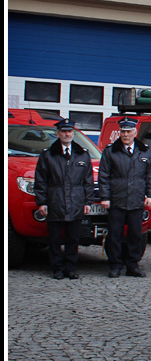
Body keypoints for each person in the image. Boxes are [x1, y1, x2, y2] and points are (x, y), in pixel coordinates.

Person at [33, 118, 92, 280]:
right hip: (55, 202)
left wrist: (88, 202)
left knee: (73, 239)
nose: (67, 134)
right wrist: (42, 202)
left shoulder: (83, 154)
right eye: (64, 131)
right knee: (55, 239)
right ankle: (57, 268)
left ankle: (71, 268)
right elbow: (41, 181)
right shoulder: (47, 155)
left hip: (76, 202)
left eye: (70, 131)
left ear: (73, 133)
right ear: (58, 134)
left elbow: (87, 180)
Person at [98, 117, 151, 278]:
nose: (125, 134)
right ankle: (115, 265)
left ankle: (132, 265)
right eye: (123, 131)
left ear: (135, 132)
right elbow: (104, 176)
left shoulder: (145, 151)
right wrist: (105, 197)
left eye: (129, 131)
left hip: (136, 200)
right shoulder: (111, 151)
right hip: (116, 199)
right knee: (115, 234)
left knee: (136, 235)